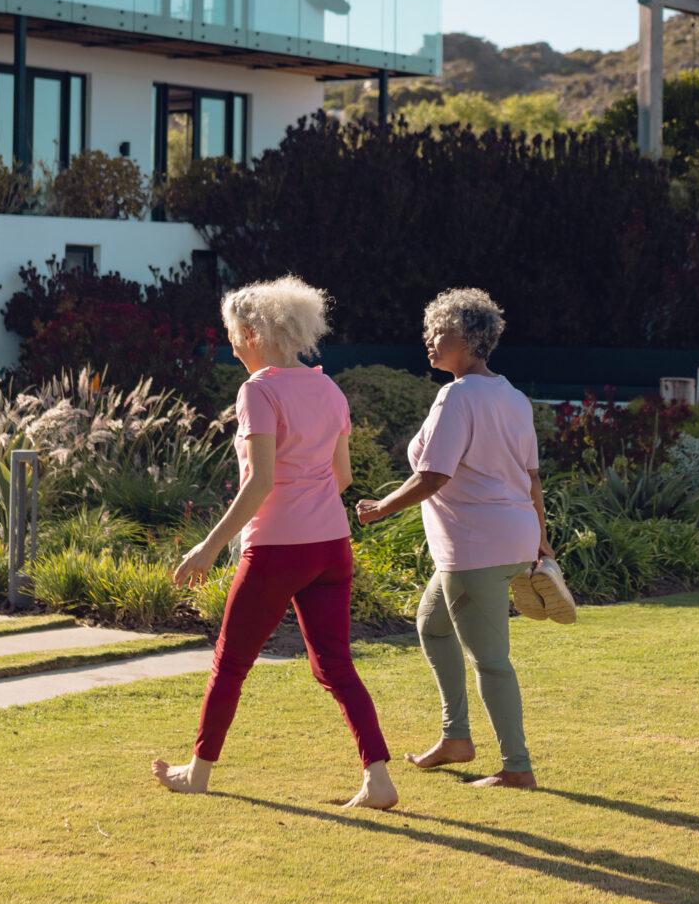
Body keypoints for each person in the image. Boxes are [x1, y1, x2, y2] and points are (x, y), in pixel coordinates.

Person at [153, 275, 396, 810]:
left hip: (277, 549)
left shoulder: (257, 391)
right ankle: (378, 779)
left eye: (233, 337)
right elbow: (342, 475)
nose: (233, 347)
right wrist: (309, 505)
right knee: (335, 665)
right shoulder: (329, 389)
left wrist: (208, 547)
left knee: (230, 662)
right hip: (331, 545)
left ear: (253, 333)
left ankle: (197, 774)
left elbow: (259, 482)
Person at [355, 288, 558, 790]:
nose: (428, 339)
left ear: (468, 337)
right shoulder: (513, 397)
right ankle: (456, 738)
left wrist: (380, 508)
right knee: (432, 624)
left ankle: (517, 768)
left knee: (490, 660)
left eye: (438, 331)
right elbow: (531, 478)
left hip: (476, 545)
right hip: (507, 538)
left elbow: (433, 476)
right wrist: (541, 539)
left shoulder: (458, 396)